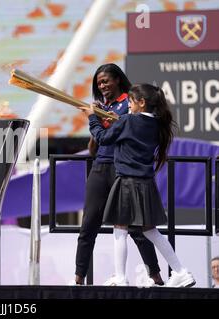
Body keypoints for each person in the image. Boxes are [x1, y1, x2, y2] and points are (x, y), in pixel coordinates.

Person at [82, 83, 196, 287]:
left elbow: (102, 138)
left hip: (127, 182)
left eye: (131, 102)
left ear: (141, 103)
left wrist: (92, 117)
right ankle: (181, 271)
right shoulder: (156, 125)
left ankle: (120, 277)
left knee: (120, 228)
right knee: (151, 231)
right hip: (146, 184)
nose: (128, 105)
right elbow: (124, 132)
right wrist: (111, 122)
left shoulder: (126, 121)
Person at [71, 64, 163, 286]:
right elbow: (96, 144)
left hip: (122, 169)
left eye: (105, 81)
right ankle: (78, 278)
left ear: (118, 80)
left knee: (136, 227)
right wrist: (96, 120)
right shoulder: (103, 107)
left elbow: (128, 131)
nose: (102, 86)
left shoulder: (129, 105)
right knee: (88, 224)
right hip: (100, 167)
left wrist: (106, 120)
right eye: (99, 83)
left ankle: (156, 276)